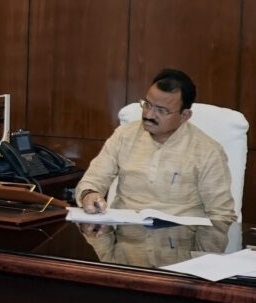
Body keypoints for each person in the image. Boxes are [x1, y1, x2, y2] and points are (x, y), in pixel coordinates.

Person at [74, 69, 237, 259]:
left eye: (161, 111)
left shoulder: (207, 151)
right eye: (147, 104)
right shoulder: (123, 136)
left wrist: (200, 265)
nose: (149, 114)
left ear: (184, 116)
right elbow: (92, 180)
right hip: (126, 248)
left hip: (179, 255)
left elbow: (220, 215)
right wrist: (89, 194)